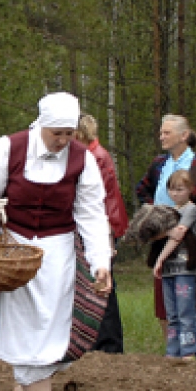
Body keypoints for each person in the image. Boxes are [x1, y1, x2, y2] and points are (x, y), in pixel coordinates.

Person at [0, 92, 113, 391]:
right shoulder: (9, 147)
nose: (63, 140)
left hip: (58, 252)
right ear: (42, 126)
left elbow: (91, 213)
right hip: (15, 252)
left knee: (53, 325)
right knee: (25, 325)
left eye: (69, 133)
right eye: (56, 134)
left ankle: (27, 385)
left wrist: (100, 260)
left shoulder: (82, 159)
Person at [135, 114, 196, 339]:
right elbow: (142, 190)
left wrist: (195, 219)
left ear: (183, 136)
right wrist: (157, 216)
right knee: (164, 294)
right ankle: (171, 348)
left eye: (167, 133)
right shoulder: (158, 164)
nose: (161, 136)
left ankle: (193, 346)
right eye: (161, 132)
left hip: (193, 237)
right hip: (162, 236)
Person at [75, 113, 128, 354]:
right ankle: (101, 341)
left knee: (102, 282)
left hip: (103, 225)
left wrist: (106, 236)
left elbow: (98, 199)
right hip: (104, 223)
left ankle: (108, 344)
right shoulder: (95, 154)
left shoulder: (94, 157)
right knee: (97, 283)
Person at [152, 171, 196, 359]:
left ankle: (189, 351)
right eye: (172, 189)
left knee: (185, 312)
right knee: (171, 314)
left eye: (180, 189)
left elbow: (178, 234)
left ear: (190, 189)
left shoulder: (191, 210)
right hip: (168, 270)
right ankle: (172, 351)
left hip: (185, 268)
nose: (175, 194)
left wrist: (160, 258)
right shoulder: (169, 211)